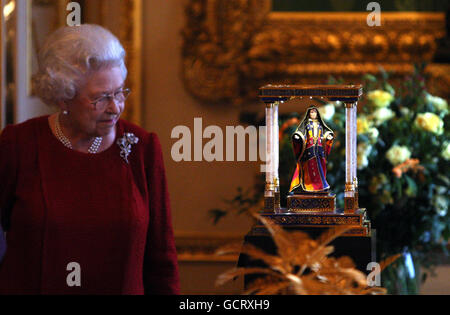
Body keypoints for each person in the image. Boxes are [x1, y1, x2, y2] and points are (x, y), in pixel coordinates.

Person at [0, 24, 179, 294]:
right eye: (100, 98)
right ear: (64, 97)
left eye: (120, 92)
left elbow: (162, 261)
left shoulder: (142, 148)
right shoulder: (18, 145)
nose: (116, 106)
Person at [289, 106, 334, 195]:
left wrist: (328, 135)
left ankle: (321, 185)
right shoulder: (306, 124)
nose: (313, 114)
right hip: (309, 150)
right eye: (311, 112)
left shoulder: (320, 124)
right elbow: (301, 132)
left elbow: (326, 132)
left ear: (317, 114)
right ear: (309, 114)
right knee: (309, 167)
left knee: (320, 168)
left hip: (319, 149)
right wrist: (297, 136)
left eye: (314, 112)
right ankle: (308, 185)